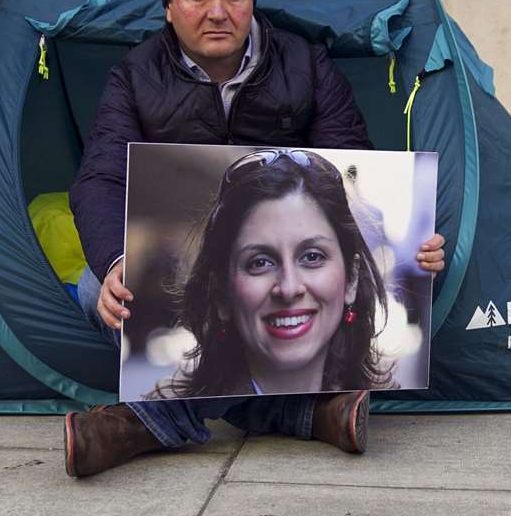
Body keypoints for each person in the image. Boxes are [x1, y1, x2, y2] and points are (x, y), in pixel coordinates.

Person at [65, 0, 445, 478]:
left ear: (251, 3)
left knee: (407, 272)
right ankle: (294, 415)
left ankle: (154, 423)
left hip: (268, 271)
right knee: (88, 286)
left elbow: (351, 176)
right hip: (196, 279)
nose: (217, 11)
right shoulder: (134, 75)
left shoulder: (307, 65)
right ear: (169, 8)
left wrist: (413, 247)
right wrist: (114, 263)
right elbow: (98, 180)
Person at [140, 148, 394, 399]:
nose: (289, 288)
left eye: (312, 257)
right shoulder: (167, 422)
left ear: (351, 278)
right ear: (221, 294)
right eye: (260, 262)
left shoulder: (387, 409)